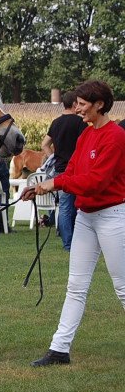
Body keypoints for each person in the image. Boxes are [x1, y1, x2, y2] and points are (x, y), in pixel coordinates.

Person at [24, 80, 125, 367]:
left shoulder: (115, 137)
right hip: (86, 217)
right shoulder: (86, 135)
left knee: (122, 287)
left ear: (99, 104)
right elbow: (73, 172)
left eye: (82, 104)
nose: (77, 108)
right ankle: (59, 350)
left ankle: (59, 349)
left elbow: (95, 181)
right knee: (76, 287)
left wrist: (53, 184)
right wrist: (45, 185)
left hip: (113, 216)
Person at [40, 90, 88, 251]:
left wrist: (53, 156)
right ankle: (75, 243)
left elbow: (44, 144)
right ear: (75, 104)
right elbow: (84, 144)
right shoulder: (80, 123)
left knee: (65, 208)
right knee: (78, 208)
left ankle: (68, 243)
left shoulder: (56, 123)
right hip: (77, 171)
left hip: (60, 169)